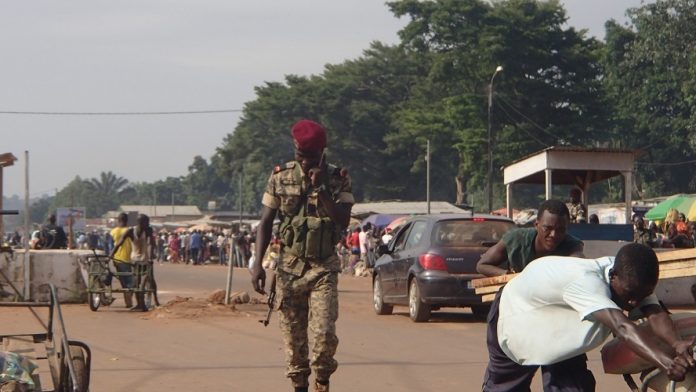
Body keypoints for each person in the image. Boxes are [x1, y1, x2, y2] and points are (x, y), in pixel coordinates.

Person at [482, 243, 696, 391]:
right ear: (613, 276)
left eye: (640, 296)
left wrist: (677, 343)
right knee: (507, 388)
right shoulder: (587, 283)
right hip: (516, 315)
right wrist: (666, 363)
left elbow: (656, 314)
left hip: (565, 324)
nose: (633, 303)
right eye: (630, 296)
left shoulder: (635, 276)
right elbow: (623, 328)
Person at [251, 119, 354, 392]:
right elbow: (265, 223)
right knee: (294, 344)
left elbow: (343, 220)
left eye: (310, 157)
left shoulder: (338, 179)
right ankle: (300, 387)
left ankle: (322, 382)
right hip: (289, 268)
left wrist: (321, 189)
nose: (305, 162)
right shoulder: (279, 177)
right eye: (300, 156)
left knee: (323, 337)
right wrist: (257, 265)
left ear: (323, 152)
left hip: (323, 268)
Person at [477, 199, 584, 277]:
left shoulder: (572, 245)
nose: (554, 234)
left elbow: (578, 262)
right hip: (517, 296)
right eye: (547, 228)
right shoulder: (516, 239)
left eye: (561, 230)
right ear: (536, 225)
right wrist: (508, 276)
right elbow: (482, 265)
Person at [111, 214, 156, 312]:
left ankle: (156, 300)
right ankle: (139, 304)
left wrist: (151, 256)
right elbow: (119, 243)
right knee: (136, 282)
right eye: (146, 222)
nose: (148, 224)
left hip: (146, 258)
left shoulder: (148, 230)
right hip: (135, 259)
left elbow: (152, 244)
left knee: (151, 279)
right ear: (141, 223)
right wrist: (111, 255)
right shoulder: (130, 231)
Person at [110, 213, 135, 308]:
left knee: (123, 281)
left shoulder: (113, 231)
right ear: (127, 220)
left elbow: (110, 245)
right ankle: (128, 301)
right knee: (130, 281)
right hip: (126, 258)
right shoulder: (129, 231)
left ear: (118, 220)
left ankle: (127, 301)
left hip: (116, 258)